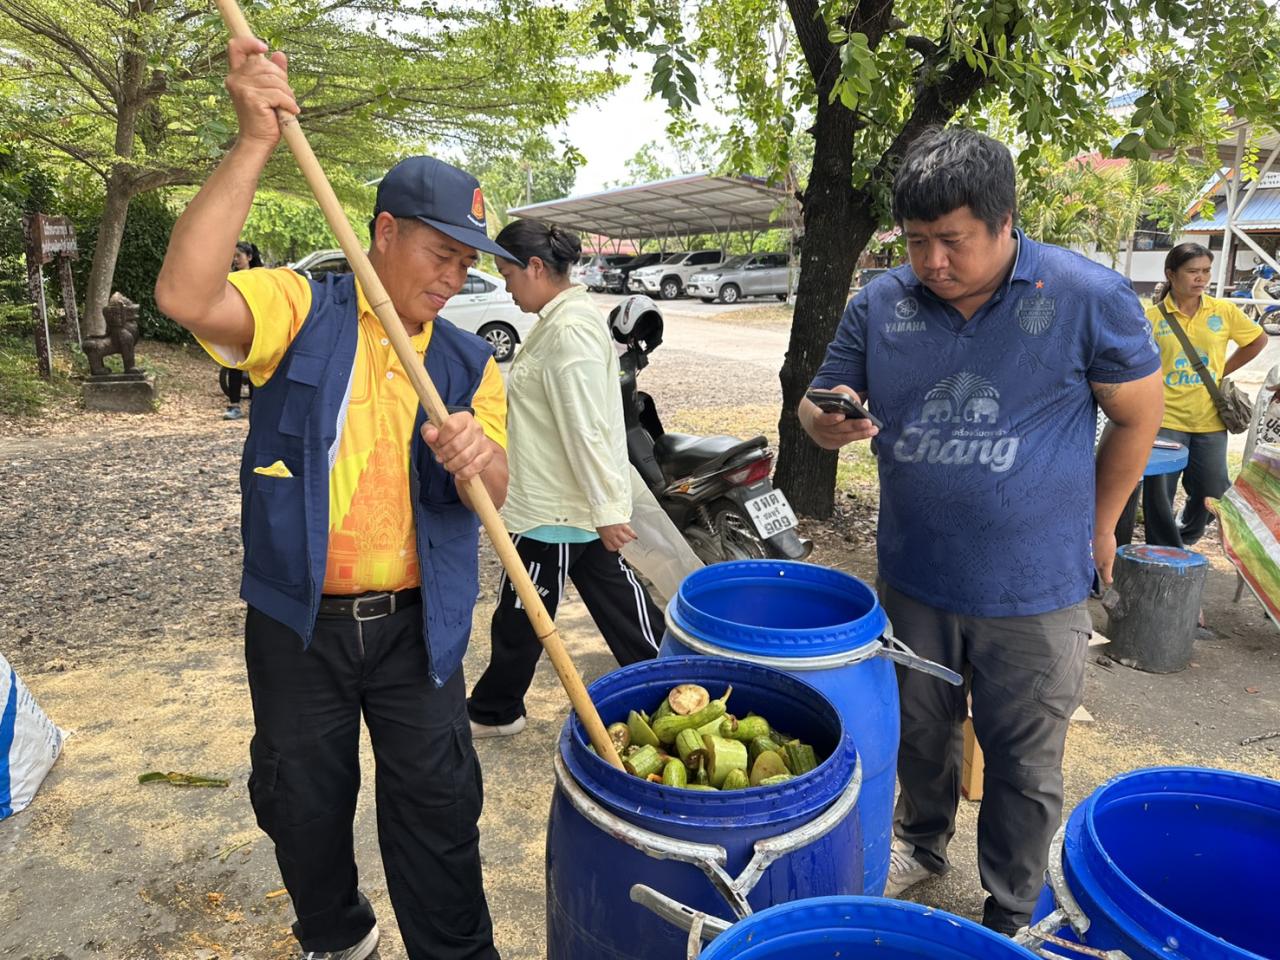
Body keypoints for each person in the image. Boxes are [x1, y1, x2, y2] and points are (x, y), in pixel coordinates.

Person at [154, 35, 513, 960]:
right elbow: (186, 294)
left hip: (417, 625)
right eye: (440, 252)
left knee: (439, 804)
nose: (453, 277)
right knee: (300, 798)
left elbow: (498, 493)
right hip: (296, 620)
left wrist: (476, 453)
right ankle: (336, 932)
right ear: (384, 233)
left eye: (468, 262)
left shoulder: (470, 362)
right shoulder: (300, 309)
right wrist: (251, 143)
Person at [798, 127, 1164, 935]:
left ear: (1005, 222)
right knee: (919, 735)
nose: (931, 262)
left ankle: (1008, 903)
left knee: (1024, 760)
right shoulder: (880, 301)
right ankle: (921, 846)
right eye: (918, 241)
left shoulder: (1084, 296)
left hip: (1034, 588)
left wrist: (1101, 525)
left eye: (953, 241)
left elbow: (1138, 417)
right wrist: (823, 423)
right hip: (915, 580)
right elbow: (819, 395)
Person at [466, 219, 663, 739]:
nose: (505, 285)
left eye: (508, 273)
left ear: (535, 267)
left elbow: (588, 428)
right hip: (555, 501)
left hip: (558, 506)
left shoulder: (569, 329)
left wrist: (608, 510)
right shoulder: (561, 319)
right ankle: (672, 683)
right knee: (550, 611)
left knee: (527, 612)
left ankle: (496, 709)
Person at [1142, 242, 1266, 547]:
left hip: (1210, 420)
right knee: (1159, 494)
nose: (1201, 278)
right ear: (1171, 274)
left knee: (1213, 490)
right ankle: (1162, 552)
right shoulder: (1153, 318)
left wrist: (1222, 370)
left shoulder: (1222, 311)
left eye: (1206, 271)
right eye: (1193, 271)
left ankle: (1185, 536)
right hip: (1166, 418)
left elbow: (1257, 340)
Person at [222, 241, 263, 420]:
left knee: (255, 365)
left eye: (239, 255)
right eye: (234, 256)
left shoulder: (259, 277)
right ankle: (234, 405)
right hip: (235, 325)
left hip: (256, 326)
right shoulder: (229, 278)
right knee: (234, 365)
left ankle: (257, 405)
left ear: (249, 257)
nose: (236, 259)